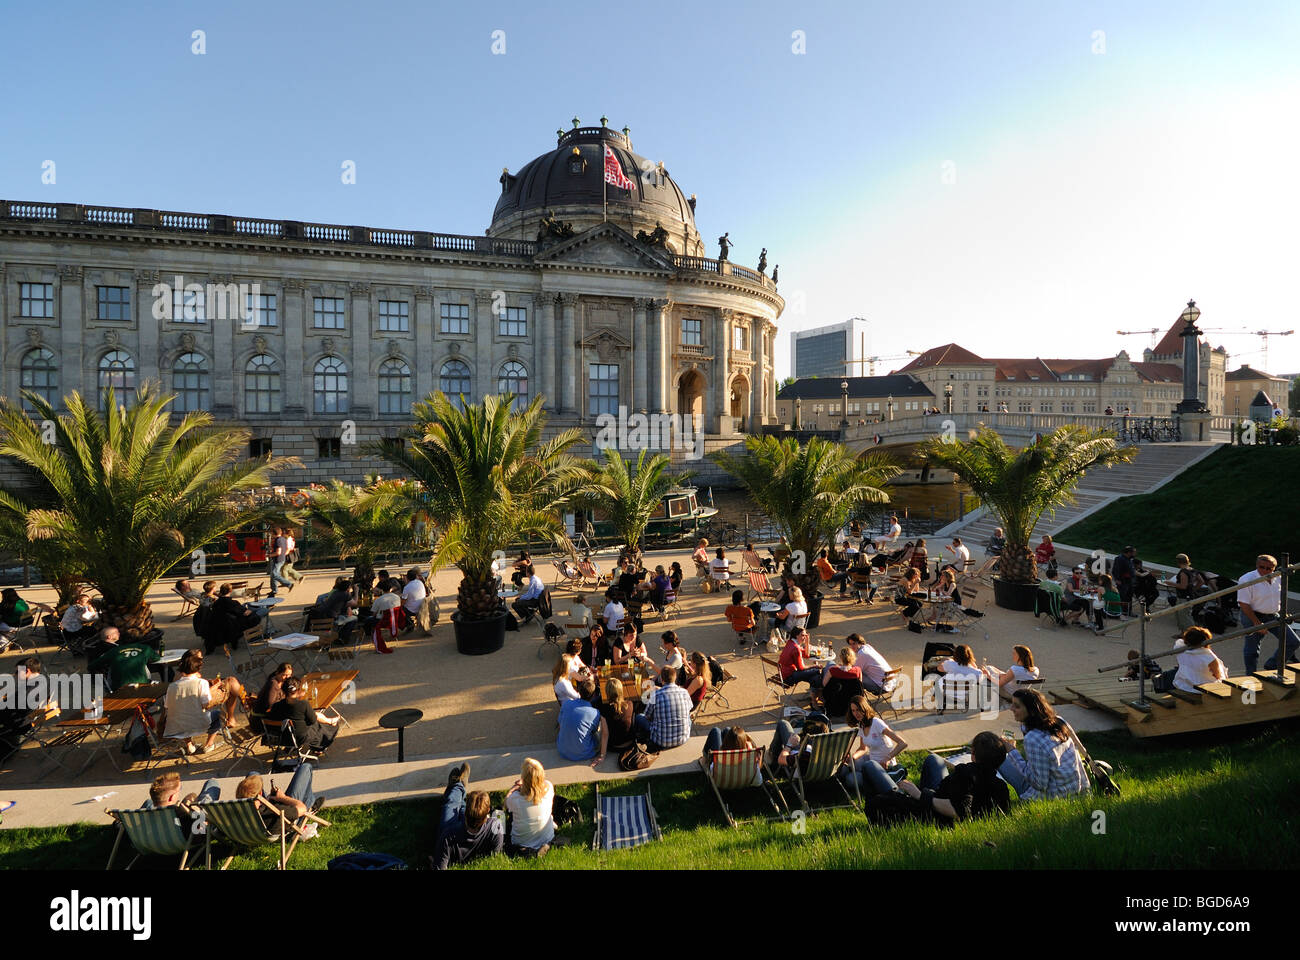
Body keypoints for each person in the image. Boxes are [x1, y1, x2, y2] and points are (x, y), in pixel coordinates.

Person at [870, 732, 1011, 825]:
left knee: (871, 774)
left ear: (973, 754)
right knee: (933, 759)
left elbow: (959, 811)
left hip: (932, 810)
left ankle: (898, 785)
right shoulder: (1001, 787)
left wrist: (919, 794)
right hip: (939, 795)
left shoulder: (967, 774)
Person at [999, 689, 1089, 799]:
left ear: (1031, 711)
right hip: (1077, 789)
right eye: (1012, 704)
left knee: (997, 757)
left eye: (1017, 706)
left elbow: (1039, 784)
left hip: (1054, 796)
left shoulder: (1032, 738)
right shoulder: (1058, 721)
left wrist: (1012, 751)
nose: (1011, 708)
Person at [162, 649, 245, 754]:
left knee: (183, 713)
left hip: (176, 728)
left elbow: (168, 706)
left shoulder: (172, 686)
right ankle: (209, 744)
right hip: (198, 725)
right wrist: (213, 689)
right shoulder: (201, 683)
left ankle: (189, 745)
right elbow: (205, 704)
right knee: (220, 714)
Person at [1236, 554, 1299, 674]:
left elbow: (1275, 597)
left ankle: (1272, 665)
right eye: (1261, 567)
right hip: (1252, 614)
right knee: (1252, 649)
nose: (1264, 570)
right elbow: (1243, 603)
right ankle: (1251, 674)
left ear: (1274, 568)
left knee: (1293, 642)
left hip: (1272, 615)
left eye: (1268, 568)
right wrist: (1256, 622)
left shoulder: (1278, 577)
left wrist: (1282, 611)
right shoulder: (1247, 579)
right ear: (1256, 565)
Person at [433, 764, 503, 870]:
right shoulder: (496, 826)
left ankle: (457, 785)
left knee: (451, 803)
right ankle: (460, 787)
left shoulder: (448, 835)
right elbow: (496, 854)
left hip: (455, 829)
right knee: (458, 805)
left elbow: (439, 867)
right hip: (467, 824)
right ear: (488, 811)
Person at [844, 695, 908, 796]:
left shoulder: (877, 723)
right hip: (871, 760)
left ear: (864, 708)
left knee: (850, 779)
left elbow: (903, 743)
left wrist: (887, 758)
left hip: (883, 767)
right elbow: (863, 748)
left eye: (858, 709)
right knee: (846, 767)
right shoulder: (861, 725)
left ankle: (875, 781)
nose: (856, 713)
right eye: (853, 710)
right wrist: (852, 758)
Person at [268, 676, 340, 752]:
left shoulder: (277, 706)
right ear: (298, 690)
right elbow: (312, 721)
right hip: (299, 738)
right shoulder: (303, 704)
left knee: (314, 719)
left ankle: (330, 721)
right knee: (318, 725)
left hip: (282, 738)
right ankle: (319, 747)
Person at [504, 758, 556, 857]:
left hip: (521, 842)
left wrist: (513, 789)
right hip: (547, 838)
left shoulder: (515, 799)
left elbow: (506, 803)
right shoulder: (549, 787)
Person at [637, 666, 692, 751]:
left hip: (661, 741)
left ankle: (642, 738)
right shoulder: (685, 692)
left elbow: (647, 716)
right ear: (675, 678)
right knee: (687, 716)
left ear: (662, 679)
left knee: (639, 717)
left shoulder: (655, 694)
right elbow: (689, 708)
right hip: (682, 739)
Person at [89, 628, 160, 691]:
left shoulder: (114, 650)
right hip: (142, 683)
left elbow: (91, 666)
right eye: (116, 632)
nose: (119, 633)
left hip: (119, 686)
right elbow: (157, 658)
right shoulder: (145, 648)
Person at [1170, 626, 1227, 693]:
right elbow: (1218, 676)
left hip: (1183, 684)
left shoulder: (1179, 647)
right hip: (1203, 688)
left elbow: (1181, 641)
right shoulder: (1209, 657)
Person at [556, 679, 601, 762]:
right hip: (585, 753)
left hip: (562, 750)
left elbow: (559, 721)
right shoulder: (595, 713)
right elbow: (594, 731)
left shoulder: (566, 704)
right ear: (593, 695)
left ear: (579, 691)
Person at [597, 677, 638, 767]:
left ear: (607, 692)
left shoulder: (605, 709)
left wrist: (602, 756)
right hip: (630, 743)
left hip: (615, 746)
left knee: (599, 730)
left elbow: (605, 734)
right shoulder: (630, 703)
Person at [934, 644, 983, 708]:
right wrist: (972, 663)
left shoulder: (950, 664)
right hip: (963, 694)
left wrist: (944, 662)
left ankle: (938, 695)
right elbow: (979, 680)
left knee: (939, 676)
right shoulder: (977, 672)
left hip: (947, 691)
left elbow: (939, 669)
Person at [268, 526, 294, 597]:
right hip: (282, 558)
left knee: (274, 574)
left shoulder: (278, 540)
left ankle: (288, 584)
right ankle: (274, 590)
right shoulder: (283, 539)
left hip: (278, 559)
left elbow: (278, 552)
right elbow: (283, 549)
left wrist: (269, 555)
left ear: (274, 533)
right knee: (273, 574)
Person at [400, 568, 428, 634]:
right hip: (422, 606)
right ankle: (410, 623)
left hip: (413, 610)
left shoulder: (407, 587)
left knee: (399, 609)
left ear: (407, 578)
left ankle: (409, 624)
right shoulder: (420, 582)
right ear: (416, 576)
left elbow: (403, 602)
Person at [1112, 545, 1138, 613]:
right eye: (1134, 552)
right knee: (1122, 597)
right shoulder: (1119, 559)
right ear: (1129, 552)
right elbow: (1115, 570)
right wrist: (1117, 579)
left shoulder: (1130, 559)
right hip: (1122, 581)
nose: (1135, 554)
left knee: (1129, 597)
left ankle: (1128, 612)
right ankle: (1120, 612)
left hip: (1129, 581)